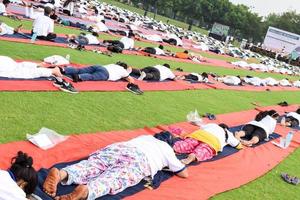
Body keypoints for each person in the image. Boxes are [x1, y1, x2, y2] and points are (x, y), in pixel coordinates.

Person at [43, 135, 188, 199]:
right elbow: (183, 173)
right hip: (140, 161)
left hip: (118, 149)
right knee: (112, 180)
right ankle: (88, 190)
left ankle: (62, 174)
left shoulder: (146, 137)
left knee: (91, 166)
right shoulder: (168, 150)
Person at [0, 56, 78, 93]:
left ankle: (54, 71)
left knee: (21, 72)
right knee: (18, 66)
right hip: (5, 61)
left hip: (5, 65)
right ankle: (39, 65)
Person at [173, 123, 242, 165]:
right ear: (226, 129)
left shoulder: (212, 124)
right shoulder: (228, 134)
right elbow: (238, 145)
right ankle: (193, 156)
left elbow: (201, 128)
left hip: (199, 135)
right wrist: (238, 138)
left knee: (188, 143)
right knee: (204, 150)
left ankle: (176, 148)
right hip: (212, 141)